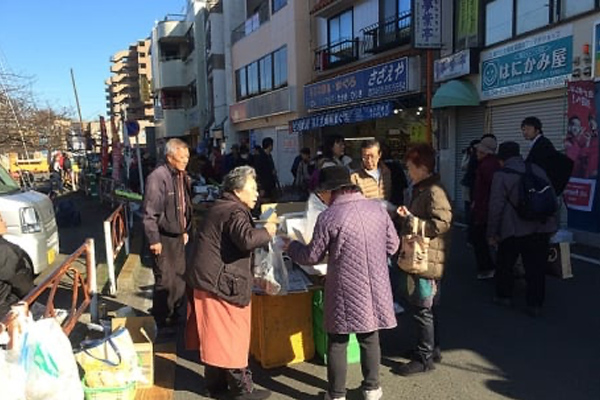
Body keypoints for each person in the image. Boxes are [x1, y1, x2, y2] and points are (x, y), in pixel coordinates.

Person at [284, 166, 399, 400]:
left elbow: (311, 256)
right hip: (376, 284)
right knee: (369, 336)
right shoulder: (377, 209)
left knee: (337, 340)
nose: (321, 198)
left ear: (329, 191)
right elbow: (393, 246)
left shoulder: (329, 217)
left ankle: (336, 395)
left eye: (321, 194)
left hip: (343, 286)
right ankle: (372, 388)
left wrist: (291, 246)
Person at [185, 166, 276, 400]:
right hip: (219, 284)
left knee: (214, 335)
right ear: (238, 190)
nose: (257, 193)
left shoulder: (222, 206)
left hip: (207, 279)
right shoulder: (235, 210)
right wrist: (269, 230)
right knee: (231, 336)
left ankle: (215, 386)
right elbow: (246, 239)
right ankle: (242, 390)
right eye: (253, 189)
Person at [392, 143, 452, 376]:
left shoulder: (434, 191)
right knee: (428, 307)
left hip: (426, 259)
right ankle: (430, 349)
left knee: (422, 308)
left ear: (422, 167)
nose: (408, 171)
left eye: (410, 167)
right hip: (425, 257)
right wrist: (409, 217)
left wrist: (412, 222)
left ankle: (424, 357)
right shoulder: (422, 188)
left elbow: (442, 223)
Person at [487, 142, 558, 317]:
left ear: (502, 159)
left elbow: (496, 206)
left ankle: (504, 296)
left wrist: (492, 233)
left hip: (513, 228)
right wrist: (554, 224)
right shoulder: (536, 169)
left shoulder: (502, 175)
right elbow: (552, 197)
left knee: (506, 263)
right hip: (541, 226)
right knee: (536, 267)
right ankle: (535, 303)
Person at [142, 138, 192, 329]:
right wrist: (154, 239)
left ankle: (176, 316)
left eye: (187, 156)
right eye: (182, 156)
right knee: (165, 280)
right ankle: (161, 320)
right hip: (162, 236)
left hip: (178, 235)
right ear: (170, 156)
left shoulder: (181, 175)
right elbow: (150, 212)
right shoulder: (158, 177)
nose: (186, 160)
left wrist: (184, 229)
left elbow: (183, 205)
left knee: (179, 278)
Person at [471, 136, 501, 280]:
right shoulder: (495, 164)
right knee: (489, 239)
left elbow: (488, 189)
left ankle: (487, 268)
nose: (476, 153)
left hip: (484, 208)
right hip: (488, 207)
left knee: (480, 240)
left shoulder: (486, 166)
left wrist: (477, 205)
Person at [522, 116, 573, 195]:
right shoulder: (537, 143)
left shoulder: (543, 144)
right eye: (523, 129)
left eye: (528, 129)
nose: (525, 132)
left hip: (544, 189)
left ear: (537, 130)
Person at [0, 212, 35, 319]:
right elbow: (24, 285)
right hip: (5, 313)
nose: (4, 222)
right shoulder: (4, 251)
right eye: (0, 220)